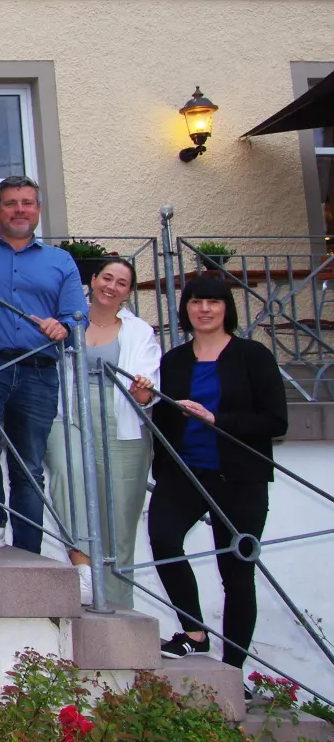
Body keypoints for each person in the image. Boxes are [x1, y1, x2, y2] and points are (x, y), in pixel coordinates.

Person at [148, 276, 286, 667]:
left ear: (227, 308)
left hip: (239, 478)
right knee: (163, 539)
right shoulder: (173, 360)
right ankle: (193, 632)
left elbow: (276, 420)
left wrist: (216, 419)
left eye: (213, 301)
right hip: (185, 474)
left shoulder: (252, 356)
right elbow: (161, 419)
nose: (204, 309)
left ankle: (233, 670)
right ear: (185, 309)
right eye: (196, 302)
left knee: (237, 573)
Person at [0, 176, 86, 553]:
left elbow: (78, 318)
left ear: (38, 211)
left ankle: (29, 552)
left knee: (28, 467)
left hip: (38, 372)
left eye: (27, 203)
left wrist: (64, 327)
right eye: (11, 203)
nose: (20, 210)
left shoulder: (60, 261)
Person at [45, 256, 159, 609]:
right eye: (106, 278)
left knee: (119, 520)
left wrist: (144, 390)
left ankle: (118, 605)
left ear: (128, 292)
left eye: (121, 283)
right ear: (92, 281)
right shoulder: (68, 321)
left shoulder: (140, 331)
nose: (111, 286)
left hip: (121, 420)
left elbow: (147, 387)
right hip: (67, 413)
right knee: (68, 473)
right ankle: (83, 567)